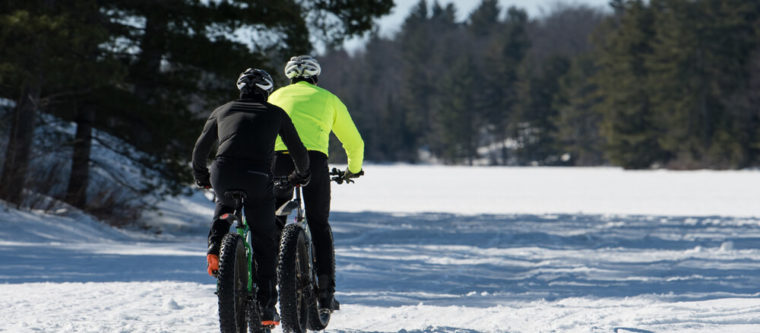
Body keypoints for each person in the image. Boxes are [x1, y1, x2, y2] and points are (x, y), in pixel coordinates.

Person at [192, 68, 310, 326]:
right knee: (264, 239)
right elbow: (299, 151)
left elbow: (200, 150)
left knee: (224, 204)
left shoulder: (221, 110)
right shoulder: (276, 113)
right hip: (257, 177)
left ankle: (215, 247)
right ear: (267, 91)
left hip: (223, 174)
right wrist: (301, 175)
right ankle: (267, 308)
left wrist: (202, 176)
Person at [268, 55, 364, 312]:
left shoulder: (275, 96)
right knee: (318, 223)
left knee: (272, 220)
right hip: (313, 162)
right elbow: (354, 142)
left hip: (278, 161)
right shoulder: (329, 98)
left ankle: (265, 284)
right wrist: (352, 170)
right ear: (315, 78)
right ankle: (325, 292)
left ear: (290, 78)